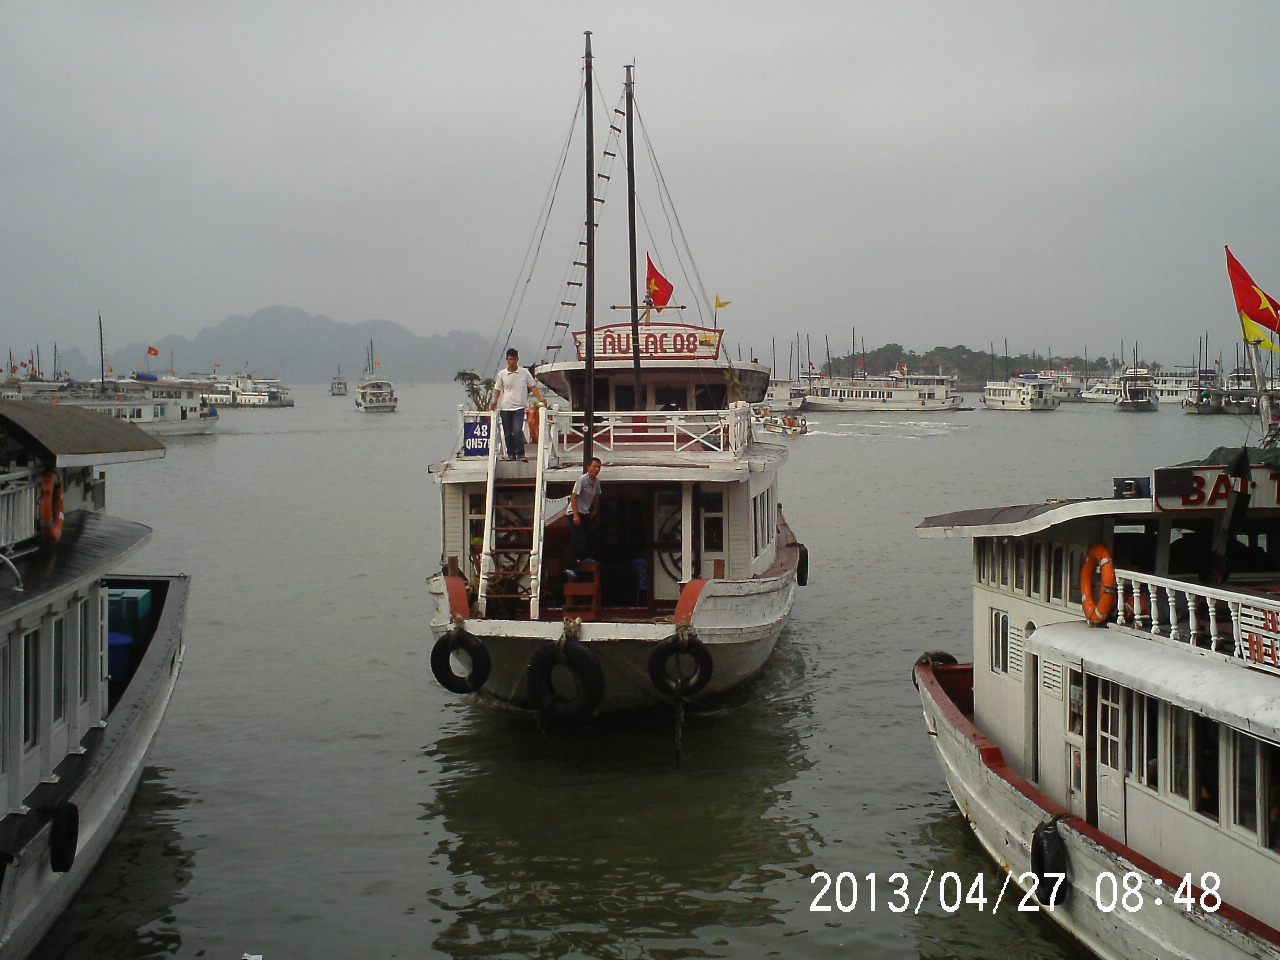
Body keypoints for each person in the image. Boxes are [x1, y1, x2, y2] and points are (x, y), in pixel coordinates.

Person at [491, 348, 544, 460]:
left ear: (517, 359)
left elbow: (532, 386)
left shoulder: (524, 373)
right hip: (505, 407)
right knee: (507, 433)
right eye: (510, 359)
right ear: (506, 360)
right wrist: (495, 401)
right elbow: (498, 389)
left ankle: (520, 453)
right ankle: (511, 453)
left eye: (513, 359)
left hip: (519, 407)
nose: (511, 362)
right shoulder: (502, 374)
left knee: (517, 430)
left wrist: (540, 398)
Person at [566, 457, 602, 576]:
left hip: (585, 512)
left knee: (594, 536)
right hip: (574, 512)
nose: (597, 469)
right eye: (595, 466)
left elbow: (596, 495)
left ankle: (582, 557)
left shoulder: (596, 482)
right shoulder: (582, 479)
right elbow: (574, 497)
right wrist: (575, 515)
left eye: (599, 467)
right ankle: (569, 566)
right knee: (579, 538)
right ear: (588, 467)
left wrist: (596, 509)